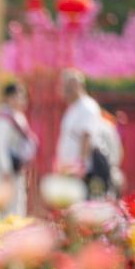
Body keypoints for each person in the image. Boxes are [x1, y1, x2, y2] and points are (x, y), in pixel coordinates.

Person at [54, 69, 109, 198]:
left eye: (69, 87)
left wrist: (80, 164)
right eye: (65, 86)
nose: (66, 91)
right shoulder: (73, 108)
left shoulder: (87, 106)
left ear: (79, 86)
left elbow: (86, 136)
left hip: (81, 171)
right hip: (69, 169)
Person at [0, 82, 38, 216]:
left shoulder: (19, 117)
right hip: (4, 171)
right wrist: (5, 170)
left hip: (17, 168)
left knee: (18, 204)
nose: (21, 100)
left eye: (23, 96)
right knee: (4, 207)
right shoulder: (3, 119)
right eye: (17, 96)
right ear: (7, 98)